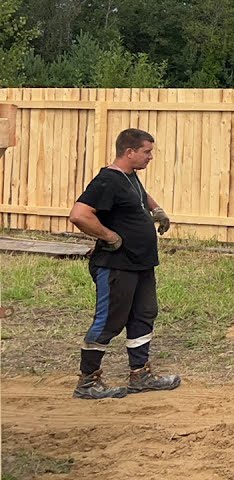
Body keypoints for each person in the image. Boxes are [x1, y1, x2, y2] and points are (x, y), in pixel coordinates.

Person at [67, 128, 181, 400]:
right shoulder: (107, 180)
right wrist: (110, 236)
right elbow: (79, 215)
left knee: (143, 315)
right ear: (129, 152)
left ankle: (140, 375)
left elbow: (140, 196)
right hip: (115, 265)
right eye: (146, 152)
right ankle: (87, 381)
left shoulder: (129, 178)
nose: (150, 157)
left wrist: (157, 210)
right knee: (109, 322)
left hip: (141, 264)